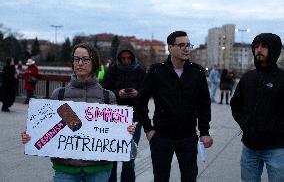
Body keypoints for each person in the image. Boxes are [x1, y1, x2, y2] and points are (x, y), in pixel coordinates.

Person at [21, 43, 136, 182]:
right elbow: (43, 128)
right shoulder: (59, 95)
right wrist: (31, 136)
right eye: (76, 59)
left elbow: (116, 131)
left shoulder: (107, 96)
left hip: (99, 169)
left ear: (94, 63)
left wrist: (127, 130)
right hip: (65, 169)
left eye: (85, 59)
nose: (80, 63)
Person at [134, 31, 213, 182]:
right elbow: (140, 102)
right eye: (181, 45)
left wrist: (204, 131)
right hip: (161, 138)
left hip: (188, 137)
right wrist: (148, 129)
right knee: (161, 178)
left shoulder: (197, 72)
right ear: (170, 47)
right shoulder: (156, 71)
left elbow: (204, 104)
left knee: (189, 177)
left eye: (188, 45)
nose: (186, 48)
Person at [230, 33, 284, 182]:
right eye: (256, 46)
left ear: (274, 49)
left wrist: (277, 129)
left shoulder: (282, 78)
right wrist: (245, 123)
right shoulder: (248, 78)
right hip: (250, 147)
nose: (259, 50)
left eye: (264, 46)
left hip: (277, 148)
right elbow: (236, 103)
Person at [102, 42, 146, 182]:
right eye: (123, 58)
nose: (126, 61)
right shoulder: (112, 70)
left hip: (134, 119)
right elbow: (104, 92)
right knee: (112, 158)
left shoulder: (140, 71)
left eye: (129, 58)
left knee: (129, 158)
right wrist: (117, 94)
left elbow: (147, 93)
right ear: (119, 58)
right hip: (114, 119)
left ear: (133, 57)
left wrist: (137, 93)